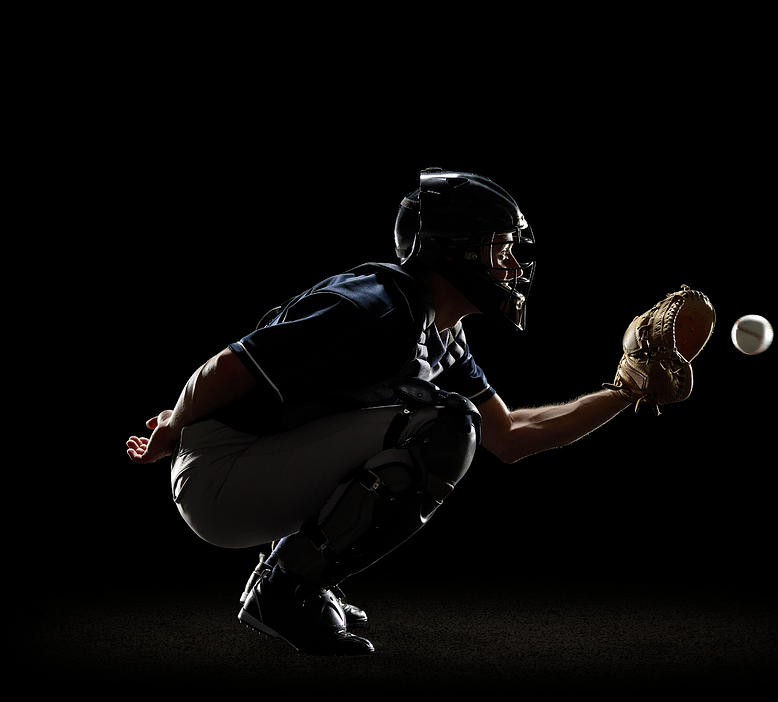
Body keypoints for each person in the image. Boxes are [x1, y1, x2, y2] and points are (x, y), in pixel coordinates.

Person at [126, 168, 635, 656]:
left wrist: (625, 391)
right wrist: (172, 425)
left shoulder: (441, 331)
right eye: (499, 248)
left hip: (253, 465)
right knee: (445, 424)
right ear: (454, 249)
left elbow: (510, 436)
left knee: (450, 422)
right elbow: (227, 367)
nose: (512, 265)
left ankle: (289, 575)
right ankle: (285, 591)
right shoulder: (376, 306)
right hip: (221, 473)